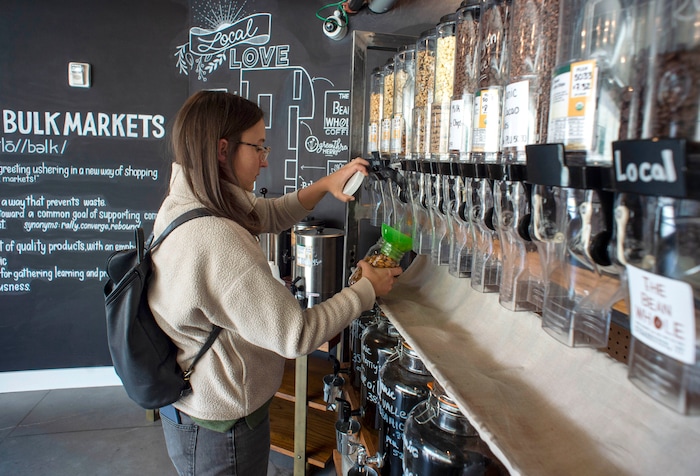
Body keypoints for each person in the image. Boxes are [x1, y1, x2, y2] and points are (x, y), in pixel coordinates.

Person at [148, 90, 403, 476]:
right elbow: (295, 335)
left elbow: (266, 214)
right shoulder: (217, 239)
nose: (265, 160)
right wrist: (366, 288)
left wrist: (325, 185)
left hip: (196, 409)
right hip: (221, 426)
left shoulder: (189, 200)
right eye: (259, 147)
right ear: (223, 150)